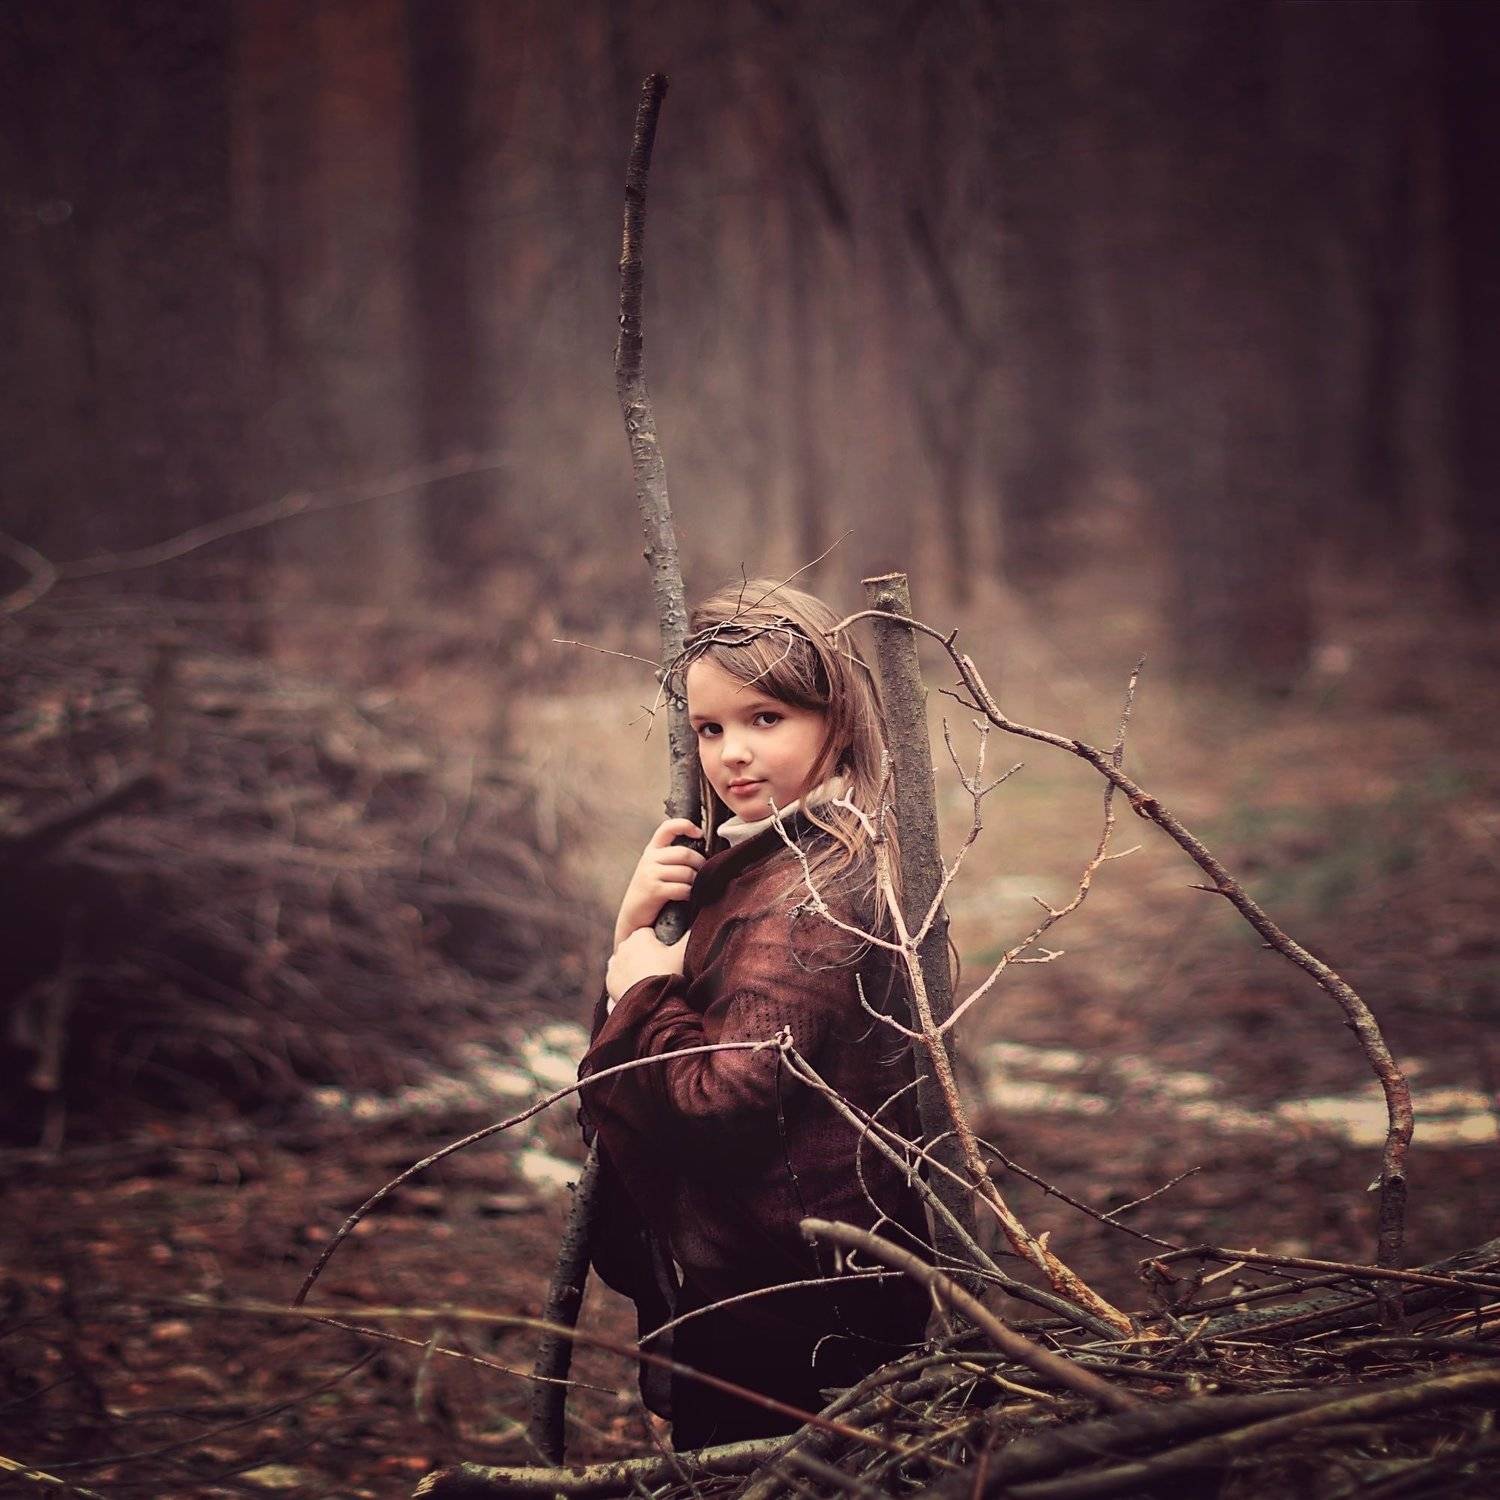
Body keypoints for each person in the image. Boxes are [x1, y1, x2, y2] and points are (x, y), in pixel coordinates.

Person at [578, 579, 933, 1449]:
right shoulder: (768, 861)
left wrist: (646, 989)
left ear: (835, 718)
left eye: (766, 718)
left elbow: (718, 1101)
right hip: (778, 1291)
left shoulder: (813, 890)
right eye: (709, 729)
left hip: (796, 1309)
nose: (732, 754)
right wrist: (634, 934)